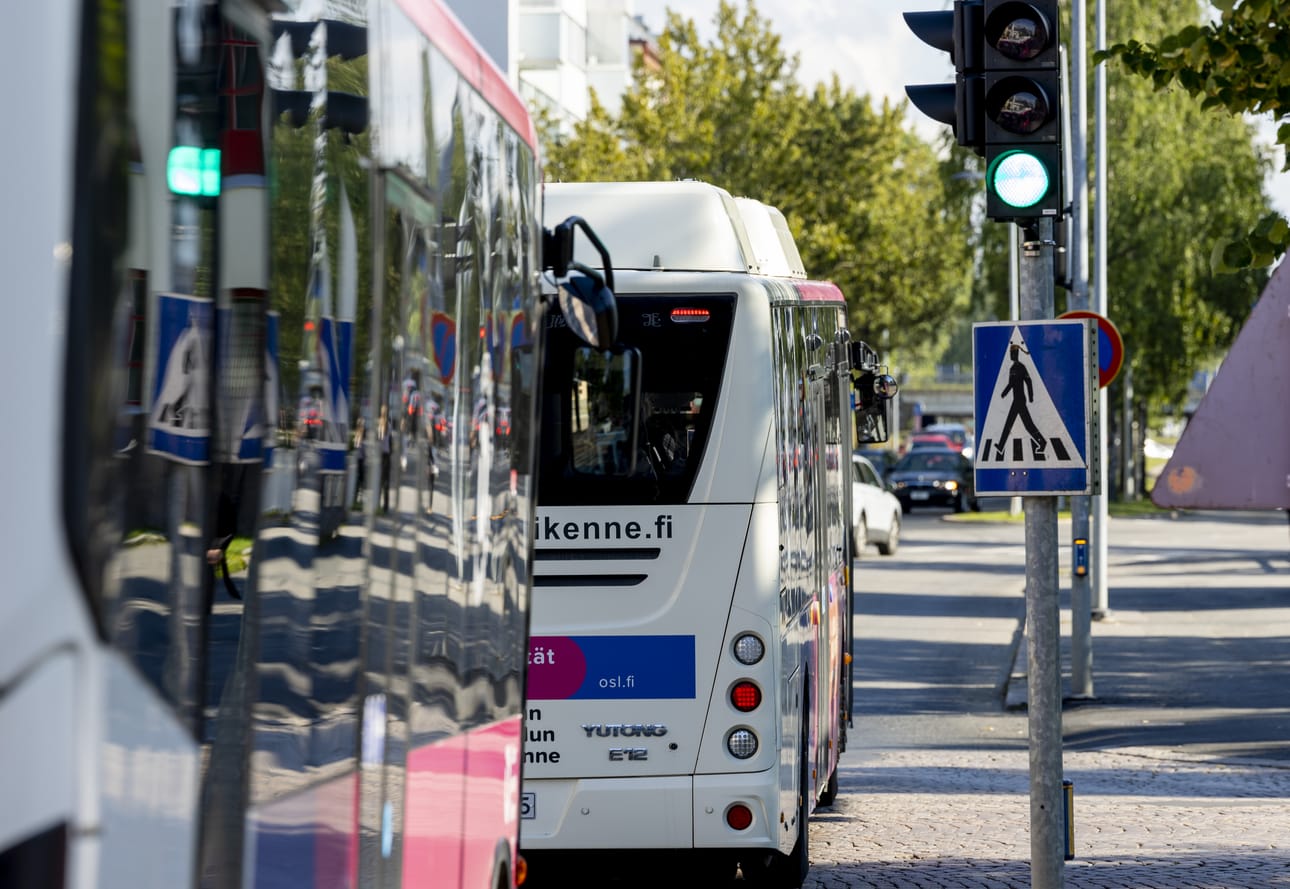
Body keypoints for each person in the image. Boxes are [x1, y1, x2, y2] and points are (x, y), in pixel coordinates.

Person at [378, 405, 392, 513]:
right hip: (387, 454)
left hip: (380, 454)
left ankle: (377, 502)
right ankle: (386, 505)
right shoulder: (389, 425)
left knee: (378, 479)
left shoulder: (379, 425)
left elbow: (379, 440)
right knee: (386, 481)